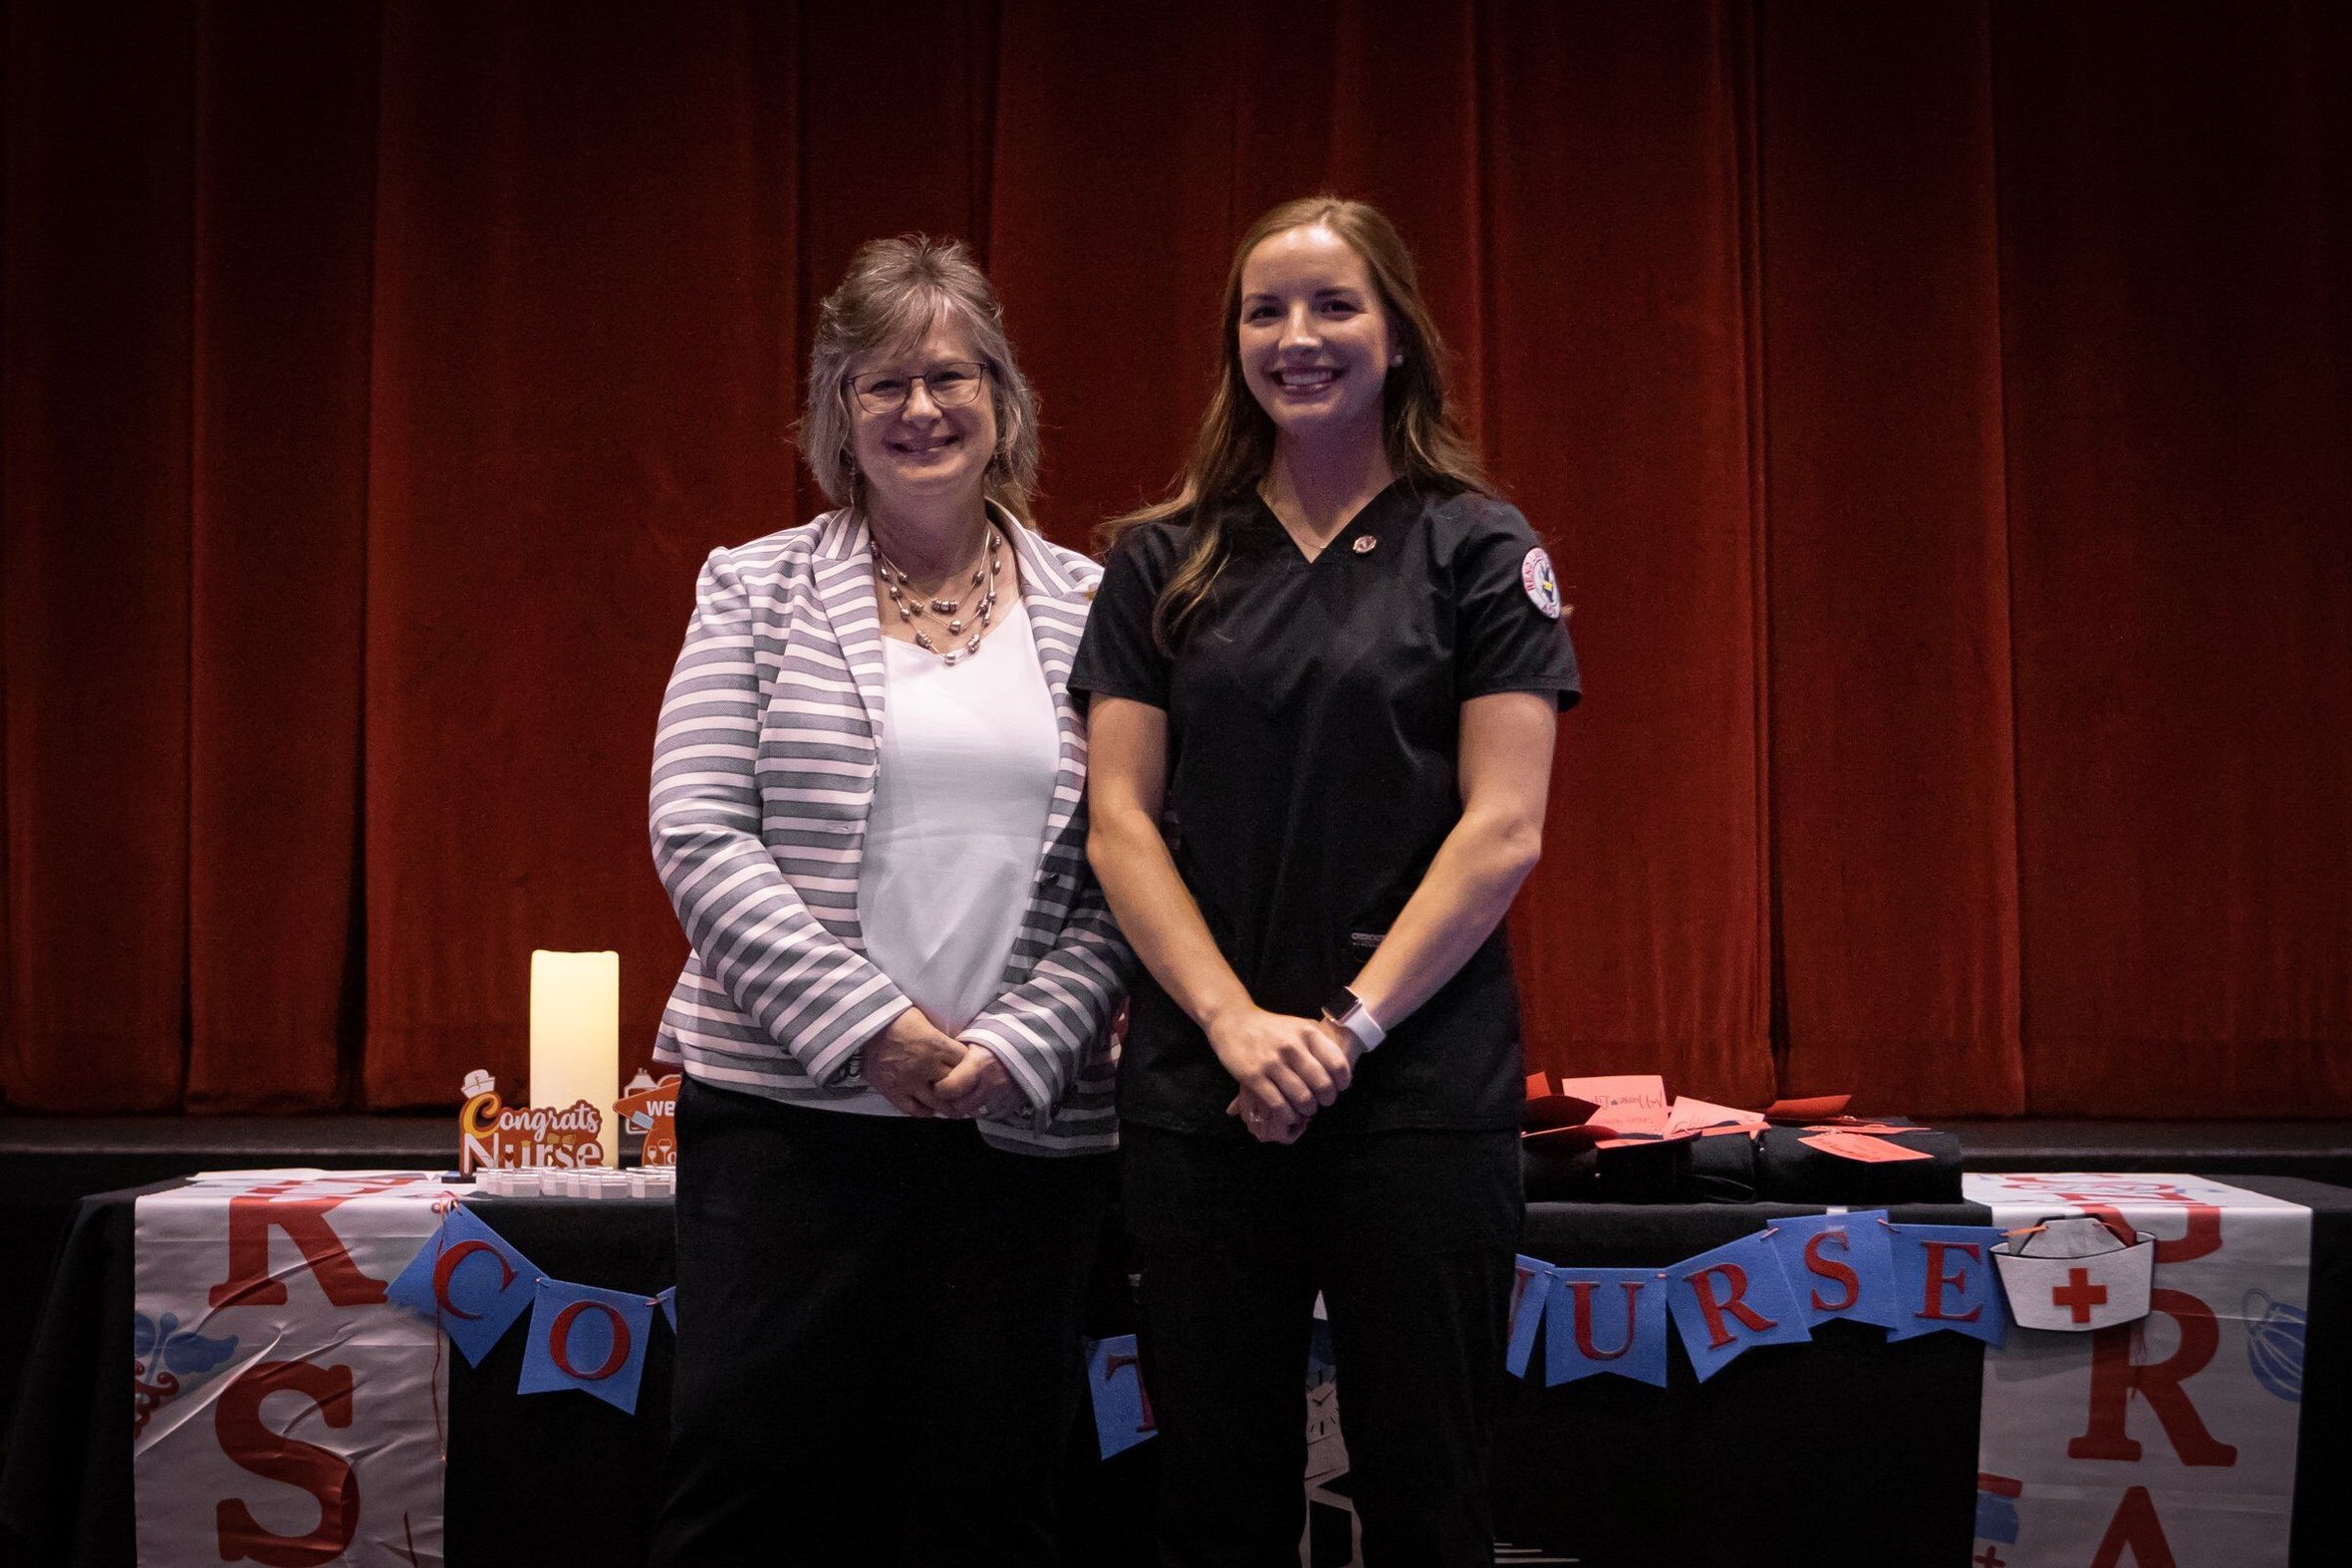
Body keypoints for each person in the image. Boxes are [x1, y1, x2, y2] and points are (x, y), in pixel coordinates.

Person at [1072, 195, 1581, 1566]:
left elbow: (1503, 828)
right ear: (1232, 342)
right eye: (1264, 310)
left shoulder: (1477, 548)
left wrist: (1347, 1028)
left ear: (1397, 335)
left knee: (1431, 1488)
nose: (1296, 337)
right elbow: (1118, 820)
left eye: (1332, 305)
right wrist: (1238, 1027)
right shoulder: (1159, 557)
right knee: (1212, 1496)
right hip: (1204, 1093)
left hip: (1415, 1094)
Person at [647, 236, 1128, 1568]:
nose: (920, 408)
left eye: (950, 375)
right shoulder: (750, 586)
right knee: (750, 1490)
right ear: (836, 416)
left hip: (1018, 1134)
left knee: (988, 1499)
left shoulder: (1098, 610)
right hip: (786, 1123)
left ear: (1003, 402)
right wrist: (872, 1027)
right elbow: (696, 830)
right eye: (880, 384)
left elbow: (1130, 867)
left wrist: (1017, 1048)